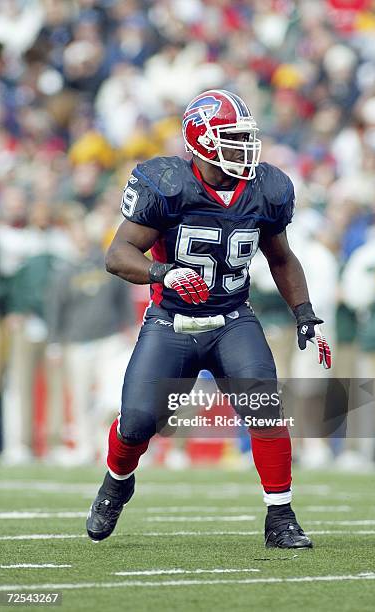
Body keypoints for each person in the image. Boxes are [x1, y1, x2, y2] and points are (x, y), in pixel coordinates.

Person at [86, 89, 331, 549]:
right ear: (201, 140)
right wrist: (165, 272)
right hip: (170, 322)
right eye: (232, 138)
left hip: (232, 318)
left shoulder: (266, 188)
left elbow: (281, 257)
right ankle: (117, 480)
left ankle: (281, 518)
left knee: (265, 411)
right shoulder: (168, 184)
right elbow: (118, 256)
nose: (245, 148)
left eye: (245, 138)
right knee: (138, 422)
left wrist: (304, 312)